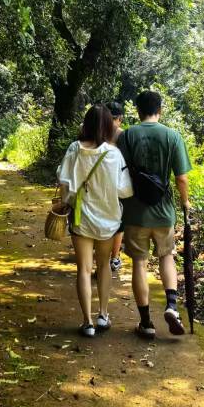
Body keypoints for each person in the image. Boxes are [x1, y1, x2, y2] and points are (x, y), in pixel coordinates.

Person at [117, 90, 191, 338]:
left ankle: (146, 322)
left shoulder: (127, 136)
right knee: (166, 256)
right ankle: (171, 306)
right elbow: (181, 177)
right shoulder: (172, 136)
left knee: (139, 263)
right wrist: (185, 202)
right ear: (160, 109)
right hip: (163, 212)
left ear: (137, 110)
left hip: (135, 212)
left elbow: (118, 172)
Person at [58, 105, 133, 337]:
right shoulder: (114, 154)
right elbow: (125, 190)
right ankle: (103, 315)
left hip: (81, 218)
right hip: (108, 219)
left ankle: (87, 322)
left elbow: (64, 184)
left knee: (83, 269)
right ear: (108, 126)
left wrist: (69, 200)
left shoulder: (74, 149)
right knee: (103, 267)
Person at [106, 102, 125, 274]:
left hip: (95, 184)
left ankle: (100, 257)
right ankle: (114, 258)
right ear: (120, 118)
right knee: (118, 222)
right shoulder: (122, 135)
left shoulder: (94, 131)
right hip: (117, 184)